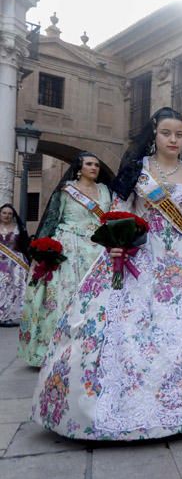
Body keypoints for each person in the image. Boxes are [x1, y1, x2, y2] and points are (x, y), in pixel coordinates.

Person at [31, 107, 182, 440]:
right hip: (139, 255)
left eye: (179, 134)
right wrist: (116, 244)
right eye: (167, 133)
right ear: (155, 134)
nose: (173, 139)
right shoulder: (137, 171)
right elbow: (118, 212)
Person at [17, 152, 112, 366]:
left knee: (97, 300)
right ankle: (58, 349)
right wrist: (42, 251)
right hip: (70, 249)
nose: (94, 168)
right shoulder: (67, 191)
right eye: (89, 164)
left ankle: (93, 348)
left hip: (98, 251)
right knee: (64, 298)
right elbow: (52, 218)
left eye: (97, 165)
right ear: (79, 167)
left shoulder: (105, 191)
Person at [0, 204, 29, 328]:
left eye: (9, 213)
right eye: (4, 213)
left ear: (13, 216)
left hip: (15, 263)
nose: (7, 215)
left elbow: (26, 245)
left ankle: (9, 316)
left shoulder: (19, 228)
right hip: (0, 262)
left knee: (14, 289)